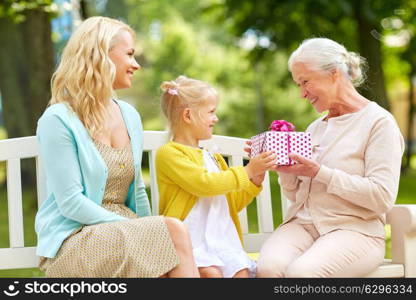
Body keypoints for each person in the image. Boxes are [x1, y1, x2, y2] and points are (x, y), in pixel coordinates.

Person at [35, 16, 199, 278]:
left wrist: (148, 229)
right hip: (76, 237)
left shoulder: (129, 115)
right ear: (101, 55)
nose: (135, 64)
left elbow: (138, 192)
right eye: (130, 54)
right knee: (172, 232)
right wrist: (145, 230)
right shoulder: (58, 120)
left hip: (123, 231)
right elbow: (71, 203)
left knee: (167, 241)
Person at [255, 37, 405, 278]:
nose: (302, 94)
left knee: (301, 275)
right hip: (303, 225)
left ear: (334, 73)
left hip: (355, 230)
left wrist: (319, 173)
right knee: (268, 269)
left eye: (305, 82)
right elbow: (295, 196)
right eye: (298, 85)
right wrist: (283, 167)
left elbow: (381, 197)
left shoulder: (379, 123)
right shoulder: (315, 127)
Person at [155, 75, 276, 278]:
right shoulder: (170, 154)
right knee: (211, 274)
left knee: (241, 274)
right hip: (191, 242)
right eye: (211, 112)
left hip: (222, 241)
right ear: (188, 116)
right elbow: (204, 184)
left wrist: (254, 180)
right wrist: (247, 171)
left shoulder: (212, 156)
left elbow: (228, 204)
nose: (216, 118)